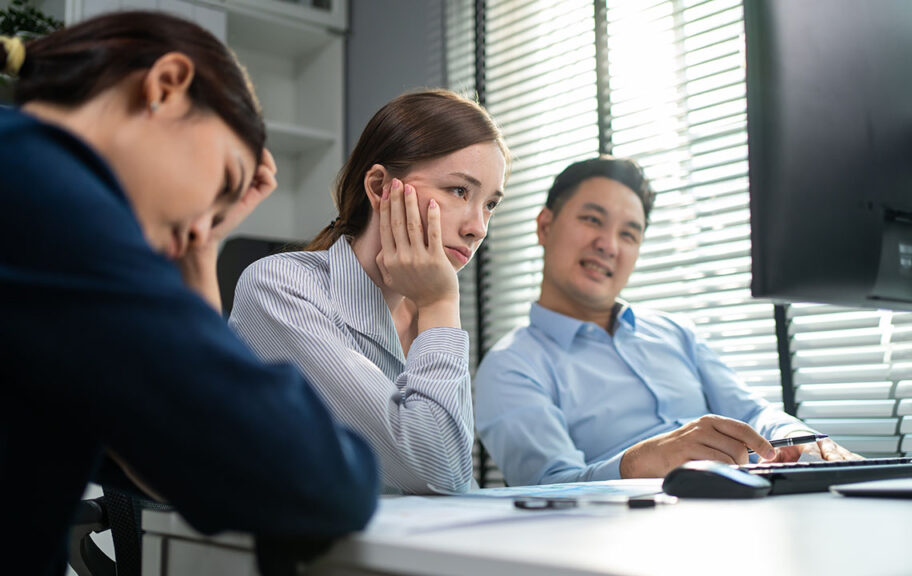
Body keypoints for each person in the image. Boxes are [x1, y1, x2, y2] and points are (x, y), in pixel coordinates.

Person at [0, 13, 378, 575]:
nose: (202, 228)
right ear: (168, 86)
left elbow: (185, 457)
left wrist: (202, 250)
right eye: (225, 181)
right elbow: (313, 475)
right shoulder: (45, 189)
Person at [474, 156, 859, 486]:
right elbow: (549, 486)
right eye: (593, 220)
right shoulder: (509, 367)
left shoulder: (676, 334)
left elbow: (753, 412)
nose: (609, 245)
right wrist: (640, 464)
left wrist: (796, 438)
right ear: (545, 226)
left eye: (629, 234)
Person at [229, 89, 509, 494]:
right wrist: (439, 304)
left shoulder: (426, 315)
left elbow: (460, 485)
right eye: (459, 191)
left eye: (490, 205)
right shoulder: (279, 288)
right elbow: (439, 471)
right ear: (380, 187)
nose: (477, 227)